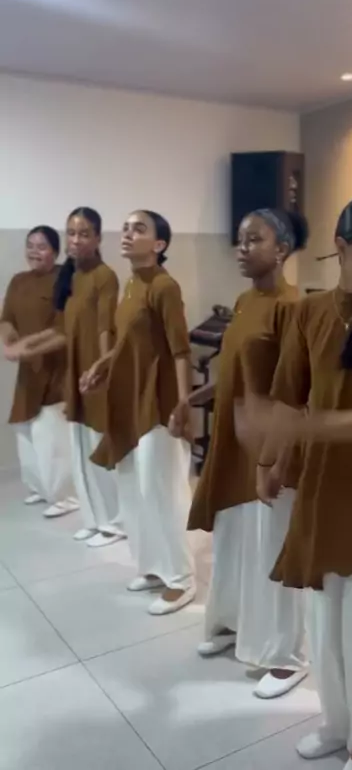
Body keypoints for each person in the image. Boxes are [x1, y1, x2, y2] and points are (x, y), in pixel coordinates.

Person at [238, 198, 352, 770]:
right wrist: (271, 463)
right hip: (322, 485)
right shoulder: (310, 314)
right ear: (341, 247)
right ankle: (338, 724)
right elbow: (288, 395)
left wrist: (303, 427)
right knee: (325, 621)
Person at [187, 207, 309, 700]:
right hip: (234, 444)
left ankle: (287, 655)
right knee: (235, 543)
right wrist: (190, 400)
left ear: (282, 249)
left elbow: (294, 391)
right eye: (240, 239)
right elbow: (235, 373)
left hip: (269, 448)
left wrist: (276, 458)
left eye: (254, 239)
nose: (242, 248)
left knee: (273, 549)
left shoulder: (292, 307)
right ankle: (234, 623)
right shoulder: (243, 301)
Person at [81, 210, 195, 615]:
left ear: (159, 244)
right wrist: (104, 363)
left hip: (158, 404)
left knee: (159, 490)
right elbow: (129, 341)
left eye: (139, 229)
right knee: (133, 489)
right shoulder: (131, 284)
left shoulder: (164, 286)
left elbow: (181, 350)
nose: (128, 234)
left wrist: (183, 403)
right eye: (126, 228)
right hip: (129, 400)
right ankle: (153, 567)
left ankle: (181, 579)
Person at [5, 207, 123, 547]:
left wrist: (101, 367)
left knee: (100, 450)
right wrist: (25, 346)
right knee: (80, 451)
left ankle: (115, 524)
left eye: (84, 233)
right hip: (75, 373)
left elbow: (106, 328)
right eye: (71, 233)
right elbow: (63, 329)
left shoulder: (104, 276)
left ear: (97, 238)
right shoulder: (73, 277)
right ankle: (94, 519)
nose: (76, 240)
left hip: (94, 375)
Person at [1, 226, 78, 518]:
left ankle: (66, 495)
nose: (34, 252)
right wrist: (9, 340)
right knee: (25, 428)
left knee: (51, 433)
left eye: (42, 246)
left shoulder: (63, 279)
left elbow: (63, 329)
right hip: (28, 371)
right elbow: (6, 318)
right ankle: (41, 487)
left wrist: (25, 348)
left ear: (55, 252)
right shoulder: (18, 281)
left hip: (55, 367)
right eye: (30, 245)